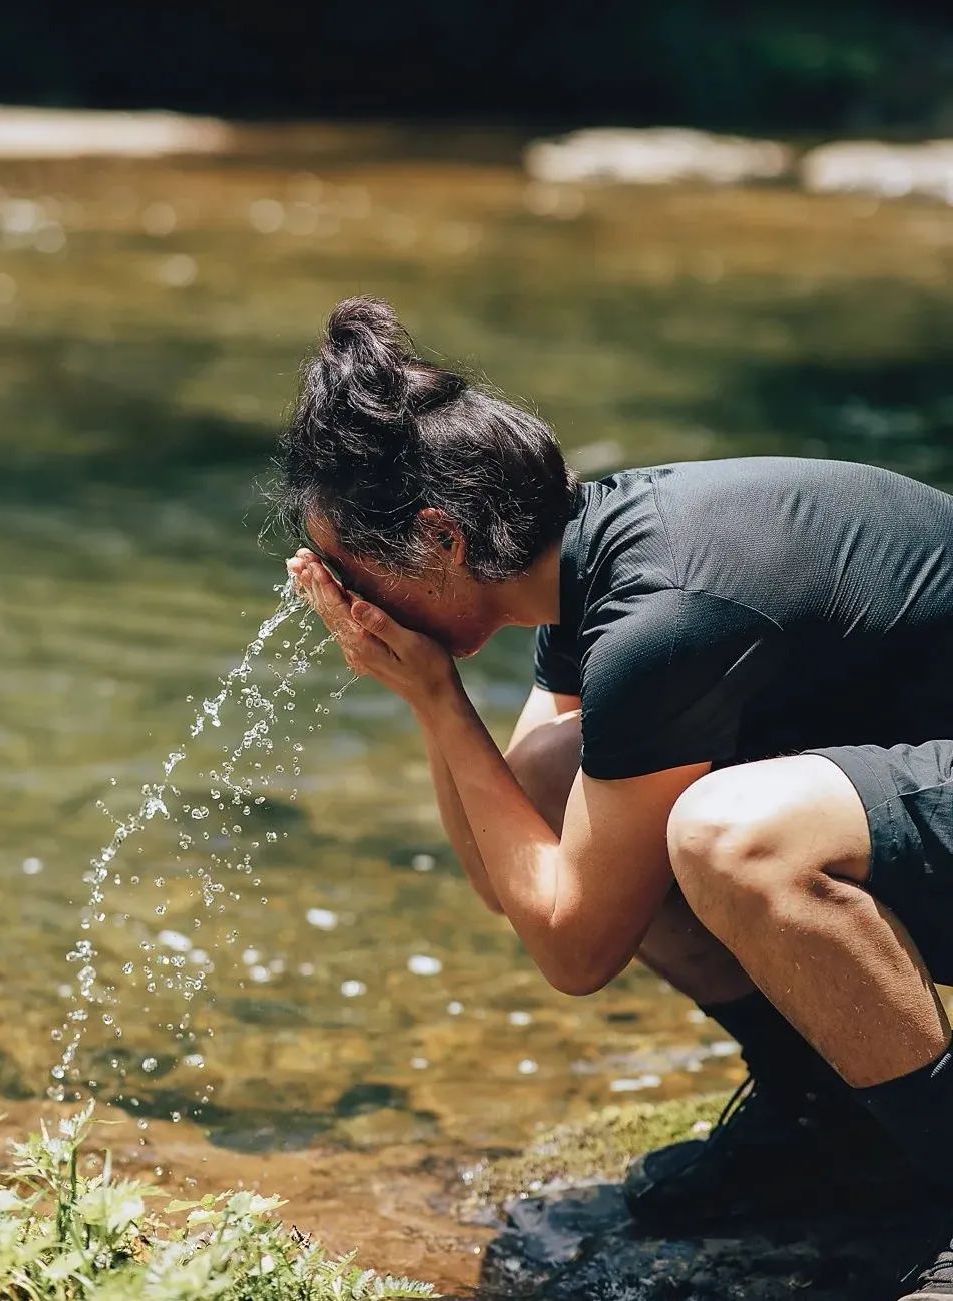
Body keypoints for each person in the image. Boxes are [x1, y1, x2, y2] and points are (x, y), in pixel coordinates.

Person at [275, 295, 953, 1300]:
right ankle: (826, 1117)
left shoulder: (661, 618)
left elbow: (576, 946)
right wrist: (431, 708)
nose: (346, 599)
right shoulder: (586, 566)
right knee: (562, 784)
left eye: (347, 571)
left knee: (735, 838)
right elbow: (515, 864)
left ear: (440, 536)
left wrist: (434, 693)